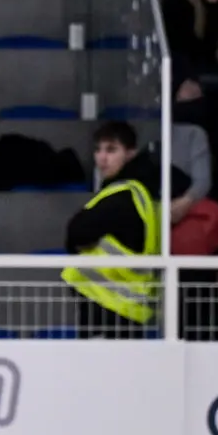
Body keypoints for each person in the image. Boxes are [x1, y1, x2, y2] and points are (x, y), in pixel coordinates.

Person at [63, 121, 160, 336]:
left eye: (111, 150)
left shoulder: (123, 194)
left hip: (109, 308)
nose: (102, 158)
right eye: (98, 150)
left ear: (131, 153)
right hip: (122, 308)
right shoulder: (142, 192)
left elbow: (75, 233)